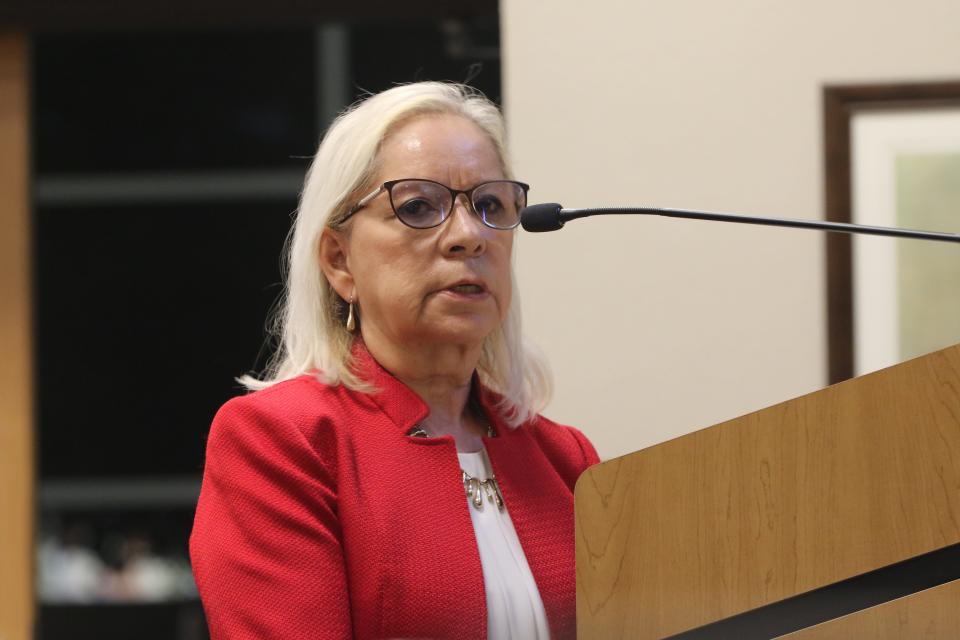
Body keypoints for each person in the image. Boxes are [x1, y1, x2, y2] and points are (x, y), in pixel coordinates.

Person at [190, 81, 599, 640]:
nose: (468, 236)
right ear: (340, 262)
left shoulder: (563, 458)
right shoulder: (284, 441)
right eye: (417, 206)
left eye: (490, 206)